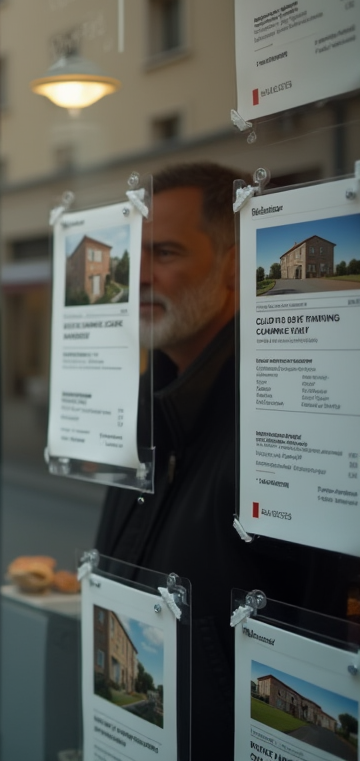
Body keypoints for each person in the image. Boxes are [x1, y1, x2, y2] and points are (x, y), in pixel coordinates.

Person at [93, 162, 354, 756]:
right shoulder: (142, 407)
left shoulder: (286, 414)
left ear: (235, 263)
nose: (139, 278)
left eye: (165, 253)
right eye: (135, 256)